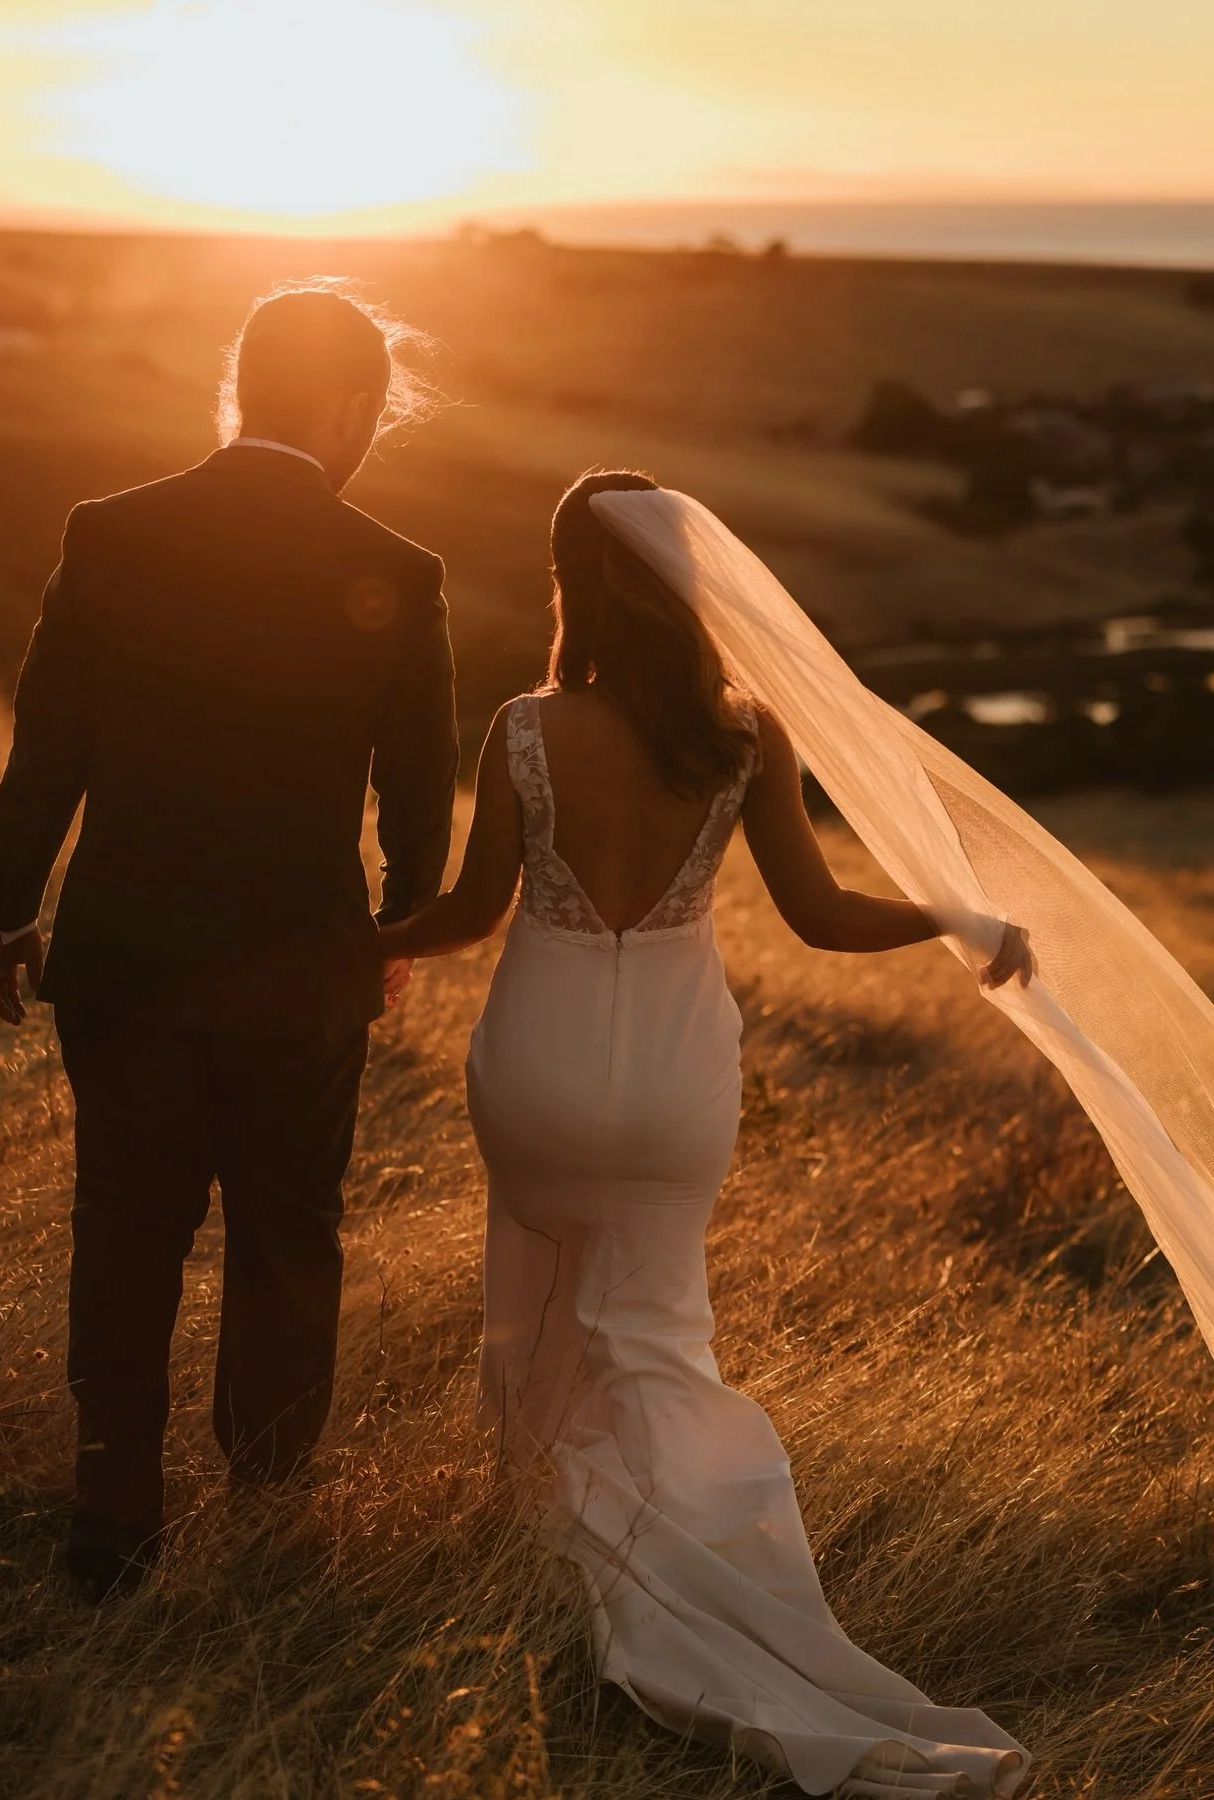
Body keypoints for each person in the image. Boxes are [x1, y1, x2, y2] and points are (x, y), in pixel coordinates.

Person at [378, 471, 1033, 1798]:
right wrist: (958, 921)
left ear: (572, 584)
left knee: (543, 1314)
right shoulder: (739, 735)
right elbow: (820, 914)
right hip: (677, 1080)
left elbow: (467, 912)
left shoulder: (523, 727)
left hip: (541, 1067)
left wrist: (355, 943)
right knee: (660, 1339)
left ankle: (569, 1571)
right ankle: (700, 1584)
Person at [0, 285, 457, 1601]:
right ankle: (263, 1523)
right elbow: (421, 794)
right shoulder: (399, 573)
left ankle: (110, 1523)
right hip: (303, 971)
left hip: (124, 957)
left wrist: (8, 910)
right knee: (289, 1238)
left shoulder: (113, 533)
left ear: (243, 387)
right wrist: (399, 930)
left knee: (126, 1227)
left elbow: (45, 751)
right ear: (354, 407)